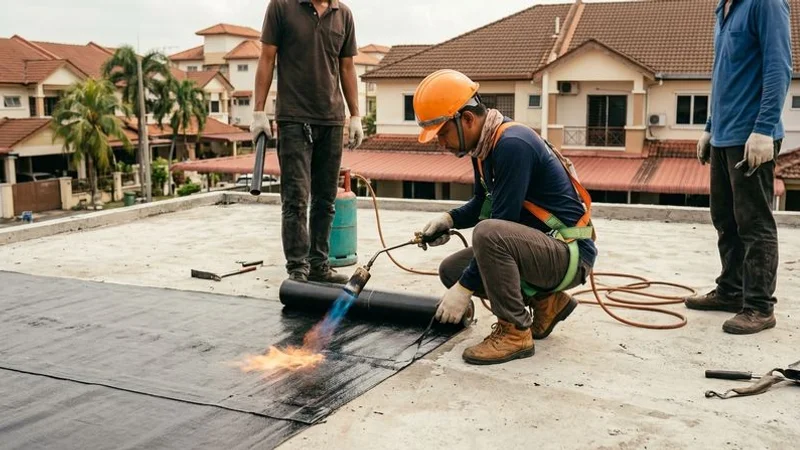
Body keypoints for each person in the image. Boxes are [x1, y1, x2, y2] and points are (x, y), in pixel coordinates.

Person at [414, 69, 598, 365]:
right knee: (452, 270)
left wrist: (464, 289)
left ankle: (514, 332)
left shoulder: (513, 145)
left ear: (467, 119)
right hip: (544, 248)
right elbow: (481, 203)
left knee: (488, 235)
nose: (441, 143)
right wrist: (449, 219)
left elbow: (501, 224)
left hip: (569, 252)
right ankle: (547, 302)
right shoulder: (483, 148)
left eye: (443, 133)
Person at [685, 0, 792, 335]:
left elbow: (779, 67)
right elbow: (724, 74)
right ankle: (731, 291)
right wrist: (709, 126)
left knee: (754, 222)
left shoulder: (766, 3)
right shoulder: (724, 9)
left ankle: (759, 306)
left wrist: (764, 129)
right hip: (723, 135)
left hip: (751, 136)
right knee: (725, 217)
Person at [250, 0, 364, 283]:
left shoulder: (343, 14)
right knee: (296, 200)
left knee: (325, 200)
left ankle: (319, 266)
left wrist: (355, 115)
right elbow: (267, 58)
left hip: (331, 120)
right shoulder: (281, 6)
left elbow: (347, 67)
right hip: (293, 118)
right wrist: (258, 111)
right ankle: (298, 269)